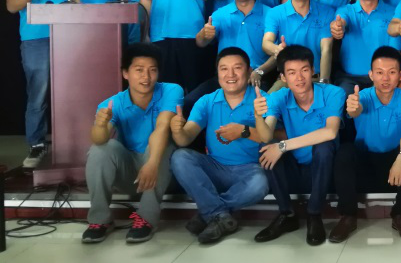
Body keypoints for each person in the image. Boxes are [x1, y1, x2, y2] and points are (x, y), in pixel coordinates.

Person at [83, 43, 181, 244]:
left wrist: (152, 163)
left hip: (162, 171)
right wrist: (100, 125)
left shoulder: (171, 90)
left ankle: (146, 219)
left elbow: (162, 128)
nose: (146, 76)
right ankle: (100, 220)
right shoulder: (112, 104)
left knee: (164, 145)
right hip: (131, 174)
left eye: (152, 70)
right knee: (101, 149)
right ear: (125, 73)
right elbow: (99, 138)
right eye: (139, 70)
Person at [169, 47, 269, 244]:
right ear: (217, 73)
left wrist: (243, 131)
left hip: (251, 169)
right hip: (214, 167)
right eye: (224, 69)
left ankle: (210, 213)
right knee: (180, 157)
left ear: (249, 71)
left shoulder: (262, 99)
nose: (230, 74)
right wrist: (177, 130)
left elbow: (273, 137)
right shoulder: (207, 101)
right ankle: (219, 215)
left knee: (260, 183)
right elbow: (185, 139)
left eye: (237, 68)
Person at [5, 0, 79, 167]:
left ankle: (72, 142)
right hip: (36, 38)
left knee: (71, 91)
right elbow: (12, 5)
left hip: (68, 37)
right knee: (38, 94)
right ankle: (36, 145)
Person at [252, 45, 345, 246]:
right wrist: (258, 116)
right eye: (292, 72)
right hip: (295, 166)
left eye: (304, 70)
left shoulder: (333, 93)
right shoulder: (278, 97)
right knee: (266, 148)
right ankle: (287, 214)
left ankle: (314, 214)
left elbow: (330, 132)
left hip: (326, 168)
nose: (299, 78)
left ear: (313, 71)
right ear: (283, 77)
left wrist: (283, 146)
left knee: (324, 147)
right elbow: (266, 135)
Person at [330, 46, 401, 242]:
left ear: (400, 75)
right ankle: (348, 216)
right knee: (344, 152)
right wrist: (353, 108)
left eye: (392, 72)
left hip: (394, 163)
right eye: (379, 72)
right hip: (365, 161)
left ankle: (400, 214)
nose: (385, 78)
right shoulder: (362, 96)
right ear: (371, 75)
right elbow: (355, 110)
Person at [193, 0, 275, 105]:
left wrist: (260, 71)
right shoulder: (220, 14)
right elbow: (200, 43)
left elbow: (278, 53)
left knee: (260, 108)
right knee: (190, 102)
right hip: (226, 77)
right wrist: (204, 34)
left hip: (257, 77)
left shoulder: (271, 14)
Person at [261, 0, 334, 86]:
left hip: (315, 79)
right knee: (270, 98)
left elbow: (326, 49)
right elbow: (266, 43)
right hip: (286, 80)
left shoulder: (326, 12)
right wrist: (277, 50)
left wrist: (324, 82)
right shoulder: (275, 13)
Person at [331, 0, 395, 95]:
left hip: (383, 78)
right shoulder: (345, 10)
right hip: (349, 78)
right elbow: (341, 21)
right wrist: (337, 27)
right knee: (342, 98)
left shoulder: (393, 13)